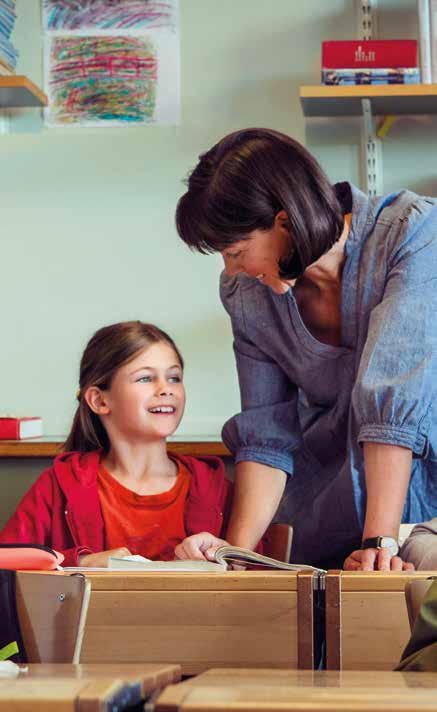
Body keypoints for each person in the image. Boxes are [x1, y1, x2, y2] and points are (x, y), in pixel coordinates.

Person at [175, 126, 437, 571]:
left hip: (421, 510)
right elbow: (266, 432)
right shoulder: (247, 294)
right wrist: (234, 555)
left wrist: (381, 542)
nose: (232, 271)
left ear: (284, 221)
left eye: (237, 251)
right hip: (326, 512)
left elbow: (393, 400)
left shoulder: (413, 234)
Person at [0, 321, 231, 566]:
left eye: (174, 377)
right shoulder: (55, 487)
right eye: (145, 378)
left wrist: (227, 555)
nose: (166, 389)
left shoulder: (216, 488)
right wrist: (81, 561)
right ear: (99, 401)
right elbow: (6, 570)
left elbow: (260, 580)